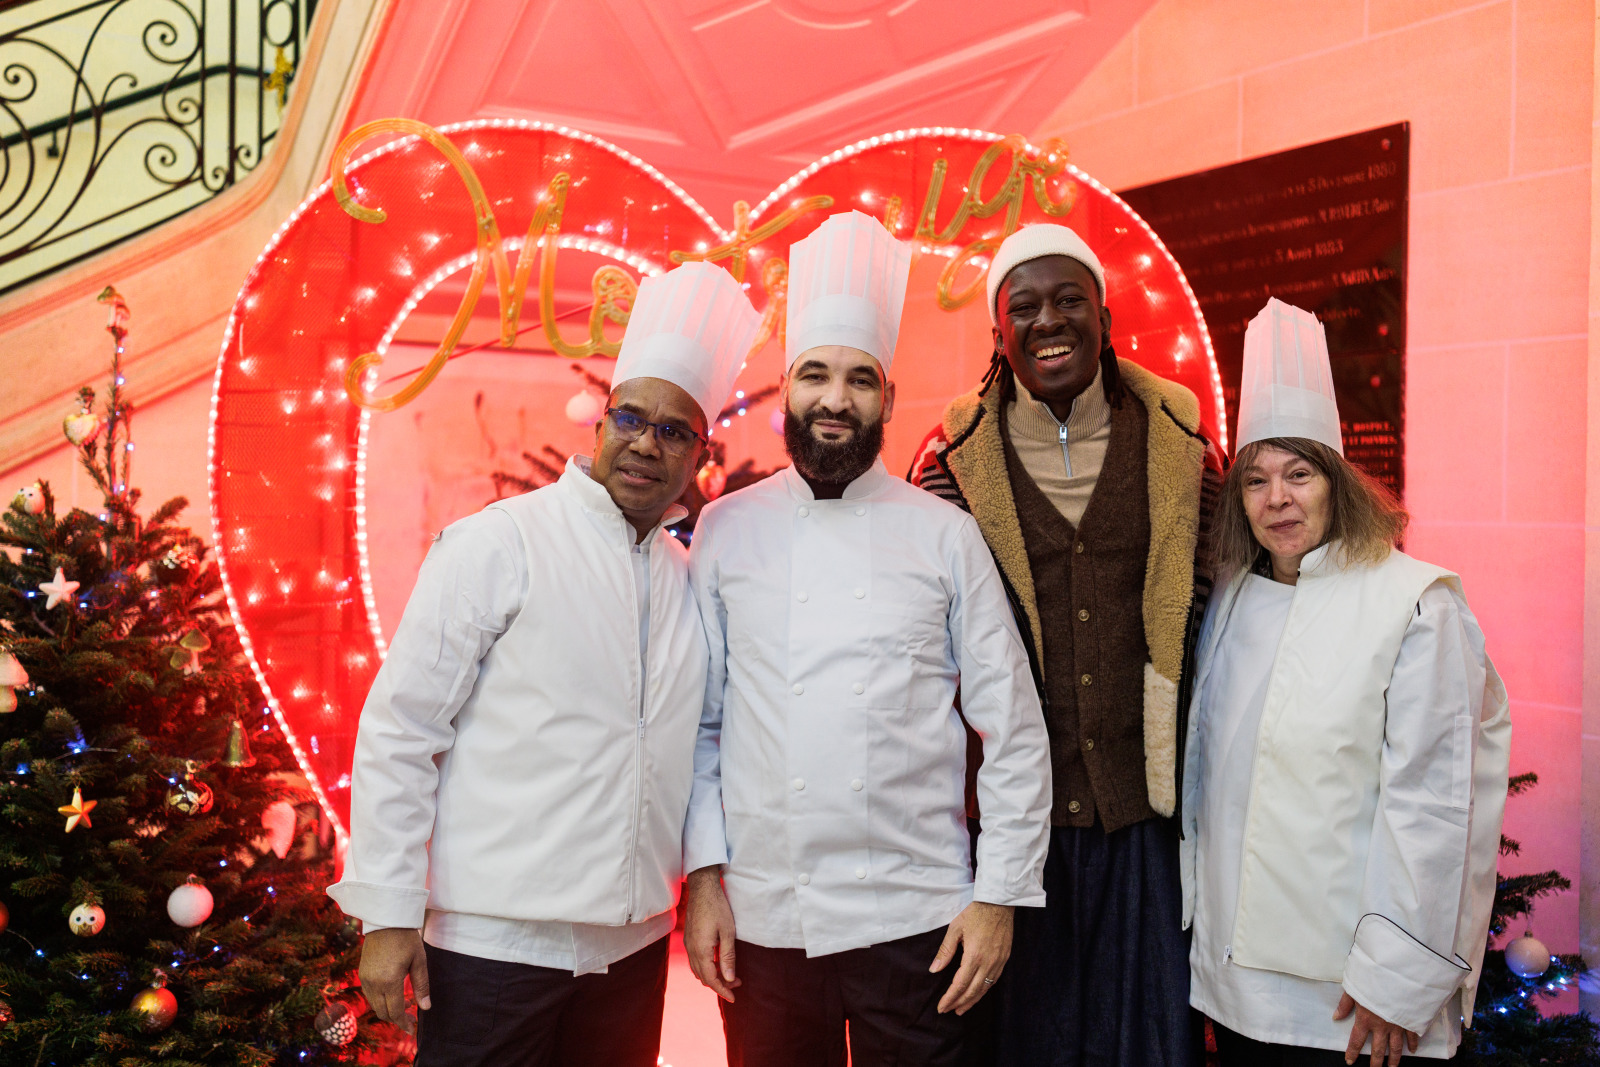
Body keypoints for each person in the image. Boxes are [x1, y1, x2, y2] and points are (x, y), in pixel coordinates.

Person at [327, 262, 761, 1067]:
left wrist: (704, 878)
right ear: (601, 422)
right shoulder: (500, 542)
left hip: (632, 954)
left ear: (699, 451)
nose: (647, 442)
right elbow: (403, 727)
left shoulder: (686, 578)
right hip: (494, 948)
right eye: (632, 417)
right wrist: (387, 913)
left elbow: (700, 746)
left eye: (675, 431)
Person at [682, 210, 1053, 1067]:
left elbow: (1013, 727)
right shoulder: (726, 529)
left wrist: (998, 895)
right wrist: (703, 881)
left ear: (887, 397)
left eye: (858, 378)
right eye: (815, 375)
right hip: (767, 918)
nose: (835, 399)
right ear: (786, 390)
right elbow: (699, 727)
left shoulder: (944, 534)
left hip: (919, 917)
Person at [908, 222, 1218, 1066]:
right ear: (998, 335)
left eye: (1069, 299)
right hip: (1011, 834)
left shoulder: (1182, 447)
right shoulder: (947, 466)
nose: (1048, 320)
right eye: (1025, 307)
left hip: (1146, 824)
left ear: (1105, 319)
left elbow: (1221, 611)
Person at [1179, 298, 1511, 1066]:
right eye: (1256, 480)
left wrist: (1398, 979)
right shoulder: (1232, 597)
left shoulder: (1415, 602)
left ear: (1337, 481)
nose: (1277, 498)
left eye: (1298, 474)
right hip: (1237, 993)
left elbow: (1434, 804)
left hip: (1356, 1003)